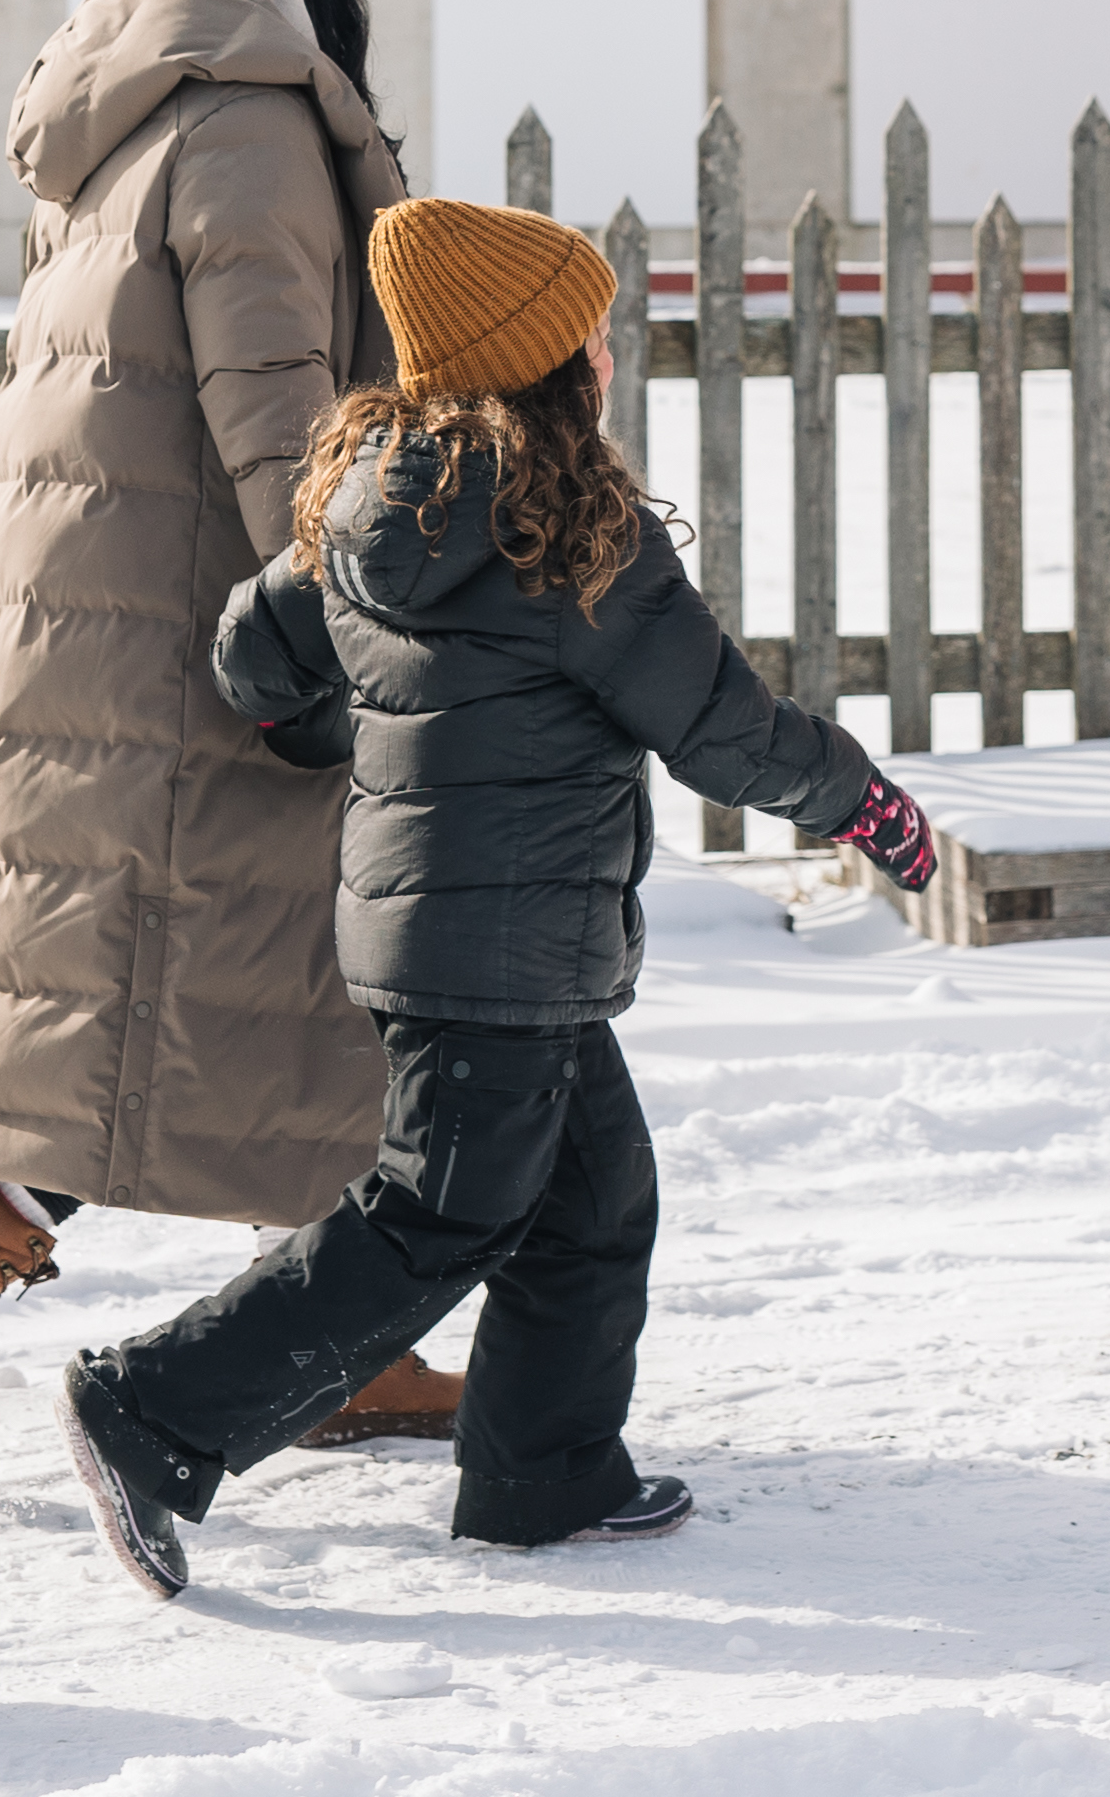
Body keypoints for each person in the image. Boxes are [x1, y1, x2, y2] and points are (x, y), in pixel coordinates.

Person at [57, 198, 942, 1598]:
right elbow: (718, 727)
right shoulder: (572, 536)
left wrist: (314, 724)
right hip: (510, 943)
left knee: (593, 1205)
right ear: (541, 361)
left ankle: (544, 1475)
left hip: (438, 929)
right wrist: (862, 804)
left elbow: (254, 646)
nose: (604, 354)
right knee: (441, 1214)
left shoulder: (370, 493)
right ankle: (154, 1411)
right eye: (587, 332)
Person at [0, 0, 449, 1477]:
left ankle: (324, 1341)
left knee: (258, 998)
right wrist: (342, 617)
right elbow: (279, 412)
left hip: (123, 633)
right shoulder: (244, 124)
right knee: (159, 1006)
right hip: (203, 657)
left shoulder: (159, 106)